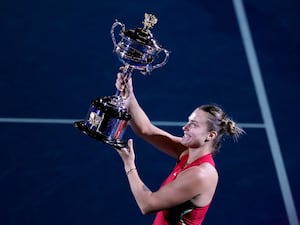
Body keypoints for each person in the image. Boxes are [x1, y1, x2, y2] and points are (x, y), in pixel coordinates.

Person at [114, 68, 245, 225]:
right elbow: (146, 130)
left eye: (193, 125)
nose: (185, 127)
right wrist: (129, 97)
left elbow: (147, 205)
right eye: (188, 121)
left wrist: (129, 164)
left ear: (210, 136)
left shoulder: (201, 175)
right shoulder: (187, 153)